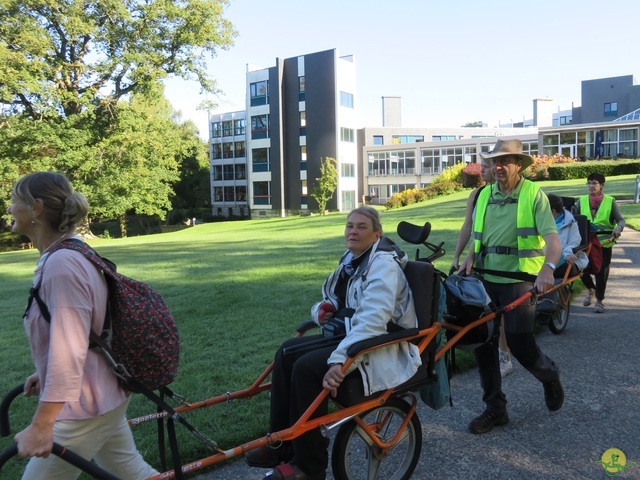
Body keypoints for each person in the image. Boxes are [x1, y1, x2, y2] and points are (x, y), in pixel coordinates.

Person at [245, 206, 420, 480]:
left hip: (380, 345)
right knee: (286, 352)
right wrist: (323, 309)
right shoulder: (352, 259)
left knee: (305, 368)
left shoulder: (383, 266)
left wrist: (340, 360)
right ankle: (282, 444)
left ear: (376, 235)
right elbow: (334, 297)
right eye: (349, 226)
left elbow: (373, 322)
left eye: (361, 226)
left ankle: (309, 467)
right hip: (353, 336)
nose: (353, 230)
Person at [8, 172, 158, 480]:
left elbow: (69, 350)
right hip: (101, 395)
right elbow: (81, 331)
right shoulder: (71, 252)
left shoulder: (62, 264)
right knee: (131, 473)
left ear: (36, 208)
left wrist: (41, 426)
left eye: (14, 201)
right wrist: (46, 371)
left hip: (83, 409)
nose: (9, 208)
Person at [459, 139, 564, 435]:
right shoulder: (483, 196)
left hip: (520, 279)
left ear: (519, 164)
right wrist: (467, 257)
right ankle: (495, 408)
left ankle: (549, 374)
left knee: (519, 343)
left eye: (505, 161)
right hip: (484, 278)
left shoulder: (533, 194)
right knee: (483, 343)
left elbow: (552, 240)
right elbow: (479, 235)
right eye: (494, 161)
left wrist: (548, 268)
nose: (498, 166)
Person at [451, 159, 514, 378]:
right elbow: (468, 226)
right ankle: (487, 352)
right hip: (478, 260)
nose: (484, 170)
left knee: (500, 311)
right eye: (484, 167)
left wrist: (469, 254)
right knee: (482, 309)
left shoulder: (507, 195)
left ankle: (504, 355)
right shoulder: (477, 195)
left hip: (498, 262)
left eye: (486, 166)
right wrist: (457, 256)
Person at [573, 172, 625, 313]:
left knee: (601, 273)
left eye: (594, 183)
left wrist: (618, 228)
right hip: (586, 243)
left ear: (602, 185)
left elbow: (620, 220)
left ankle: (599, 301)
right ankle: (590, 289)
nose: (591, 186)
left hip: (604, 243)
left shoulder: (610, 201)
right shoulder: (581, 200)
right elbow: (573, 218)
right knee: (581, 269)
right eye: (589, 183)